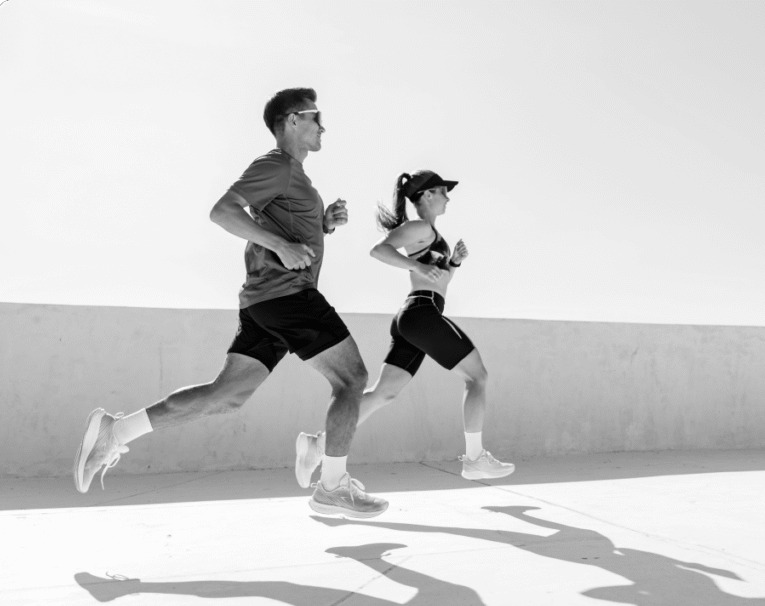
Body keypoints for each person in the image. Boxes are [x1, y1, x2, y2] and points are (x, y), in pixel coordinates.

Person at [72, 87, 387, 519]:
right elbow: (223, 211)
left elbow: (286, 225)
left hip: (265, 302)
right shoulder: (276, 165)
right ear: (293, 120)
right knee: (352, 379)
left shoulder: (293, 176)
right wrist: (281, 245)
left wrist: (323, 223)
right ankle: (332, 485)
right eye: (316, 117)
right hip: (288, 295)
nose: (323, 126)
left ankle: (116, 430)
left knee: (226, 395)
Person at [294, 170, 514, 487]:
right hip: (421, 312)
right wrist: (417, 265)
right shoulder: (419, 227)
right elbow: (379, 250)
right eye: (443, 192)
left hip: (415, 316)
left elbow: (439, 281)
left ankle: (317, 446)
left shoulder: (431, 234)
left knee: (384, 393)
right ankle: (475, 457)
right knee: (477, 377)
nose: (448, 198)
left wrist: (453, 263)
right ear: (427, 195)